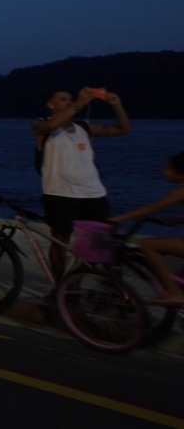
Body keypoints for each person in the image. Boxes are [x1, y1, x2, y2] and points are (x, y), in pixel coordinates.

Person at [33, 86, 131, 276]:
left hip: (93, 194)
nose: (68, 102)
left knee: (98, 243)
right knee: (60, 240)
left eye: (70, 99)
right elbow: (51, 126)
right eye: (63, 99)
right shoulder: (39, 125)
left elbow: (124, 128)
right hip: (59, 194)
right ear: (50, 105)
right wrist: (79, 103)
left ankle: (85, 286)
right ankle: (59, 288)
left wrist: (117, 106)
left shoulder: (85, 127)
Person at [109, 151, 184, 306]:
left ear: (180, 173)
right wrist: (176, 220)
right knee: (180, 280)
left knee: (147, 245)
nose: (164, 171)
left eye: (168, 168)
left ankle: (175, 295)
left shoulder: (181, 190)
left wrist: (118, 218)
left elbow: (154, 206)